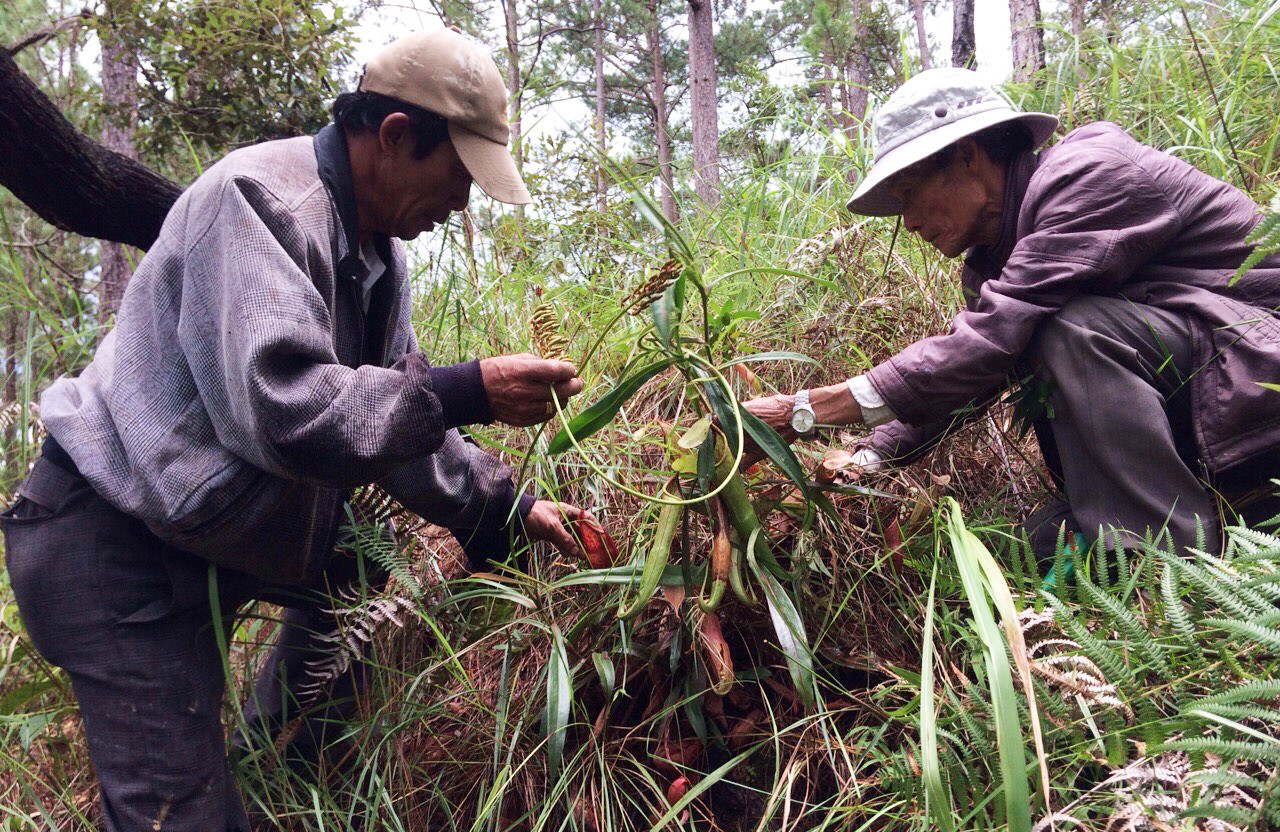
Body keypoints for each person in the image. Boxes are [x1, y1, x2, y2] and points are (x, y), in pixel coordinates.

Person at [2, 29, 591, 831]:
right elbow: (290, 415)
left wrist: (503, 510)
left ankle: (279, 760)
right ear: (392, 136)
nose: (462, 203)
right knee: (178, 817)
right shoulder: (259, 200)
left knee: (354, 560)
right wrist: (469, 389)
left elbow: (389, 418)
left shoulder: (376, 251)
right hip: (111, 546)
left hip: (205, 528)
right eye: (457, 176)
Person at [743, 67, 1280, 561]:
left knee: (1071, 329)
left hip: (1258, 381)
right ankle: (1152, 530)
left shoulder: (1089, 175)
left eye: (909, 194)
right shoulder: (995, 261)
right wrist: (868, 456)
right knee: (1022, 551)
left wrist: (804, 409)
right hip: (1210, 403)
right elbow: (976, 369)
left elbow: (991, 337)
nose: (907, 221)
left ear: (968, 157)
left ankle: (1167, 567)